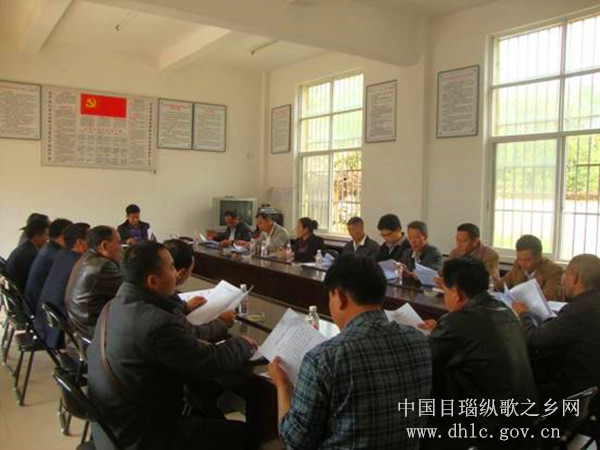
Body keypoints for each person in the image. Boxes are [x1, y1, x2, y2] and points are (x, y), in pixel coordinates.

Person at [88, 241, 257, 450]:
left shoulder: (113, 306)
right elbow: (208, 361)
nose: (176, 274)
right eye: (170, 268)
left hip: (113, 428)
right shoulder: (156, 324)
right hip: (143, 437)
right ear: (152, 281)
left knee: (203, 402)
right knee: (249, 435)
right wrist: (242, 344)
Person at [268, 255, 432, 449]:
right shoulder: (420, 341)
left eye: (330, 297)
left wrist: (283, 385)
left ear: (340, 297)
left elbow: (294, 442)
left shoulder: (324, 358)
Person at [420, 258, 538, 449]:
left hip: (486, 431)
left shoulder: (458, 322)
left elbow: (425, 362)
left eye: (446, 292)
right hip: (523, 424)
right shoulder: (506, 311)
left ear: (457, 293)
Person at [163, 238, 239, 419]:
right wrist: (222, 322)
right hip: (167, 413)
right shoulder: (159, 311)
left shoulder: (136, 299)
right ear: (181, 273)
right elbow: (191, 335)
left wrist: (185, 307)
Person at [513, 254, 600, 398]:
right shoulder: (591, 304)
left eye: (566, 274)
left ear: (576, 279)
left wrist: (523, 314)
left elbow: (535, 339)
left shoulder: (578, 310)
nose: (563, 280)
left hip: (578, 392)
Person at [34, 223, 90, 349]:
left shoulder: (63, 255)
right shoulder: (79, 262)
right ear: (80, 242)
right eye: (90, 238)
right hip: (61, 325)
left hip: (47, 322)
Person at [66, 226, 122, 341]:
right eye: (118, 242)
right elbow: (131, 291)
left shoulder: (86, 259)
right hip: (92, 334)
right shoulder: (103, 266)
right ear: (104, 246)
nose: (121, 247)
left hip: (79, 331)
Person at [494, 234, 563, 300]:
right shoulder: (518, 265)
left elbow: (548, 298)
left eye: (527, 260)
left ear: (539, 257)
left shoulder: (554, 271)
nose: (522, 264)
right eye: (519, 258)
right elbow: (499, 286)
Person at [25, 218, 73, 311]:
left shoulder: (48, 249)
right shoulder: (56, 255)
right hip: (42, 308)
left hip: (36, 303)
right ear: (64, 235)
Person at [5, 217, 50, 292]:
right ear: (37, 237)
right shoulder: (30, 255)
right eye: (46, 235)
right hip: (23, 293)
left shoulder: (24, 248)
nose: (48, 239)